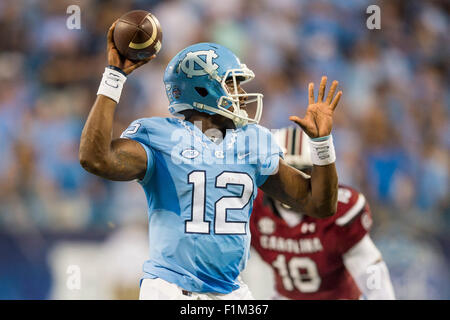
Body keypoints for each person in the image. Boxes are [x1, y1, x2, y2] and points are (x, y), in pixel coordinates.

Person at [79, 21, 342, 300]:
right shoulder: (161, 136)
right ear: (203, 89)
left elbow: (320, 205)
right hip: (171, 289)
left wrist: (322, 144)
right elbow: (95, 159)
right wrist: (114, 77)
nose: (241, 94)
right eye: (232, 83)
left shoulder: (253, 140)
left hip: (231, 291)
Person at [247, 127, 396, 299]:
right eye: (285, 172)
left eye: (303, 172)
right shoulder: (254, 207)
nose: (292, 182)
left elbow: (371, 271)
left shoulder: (339, 211)